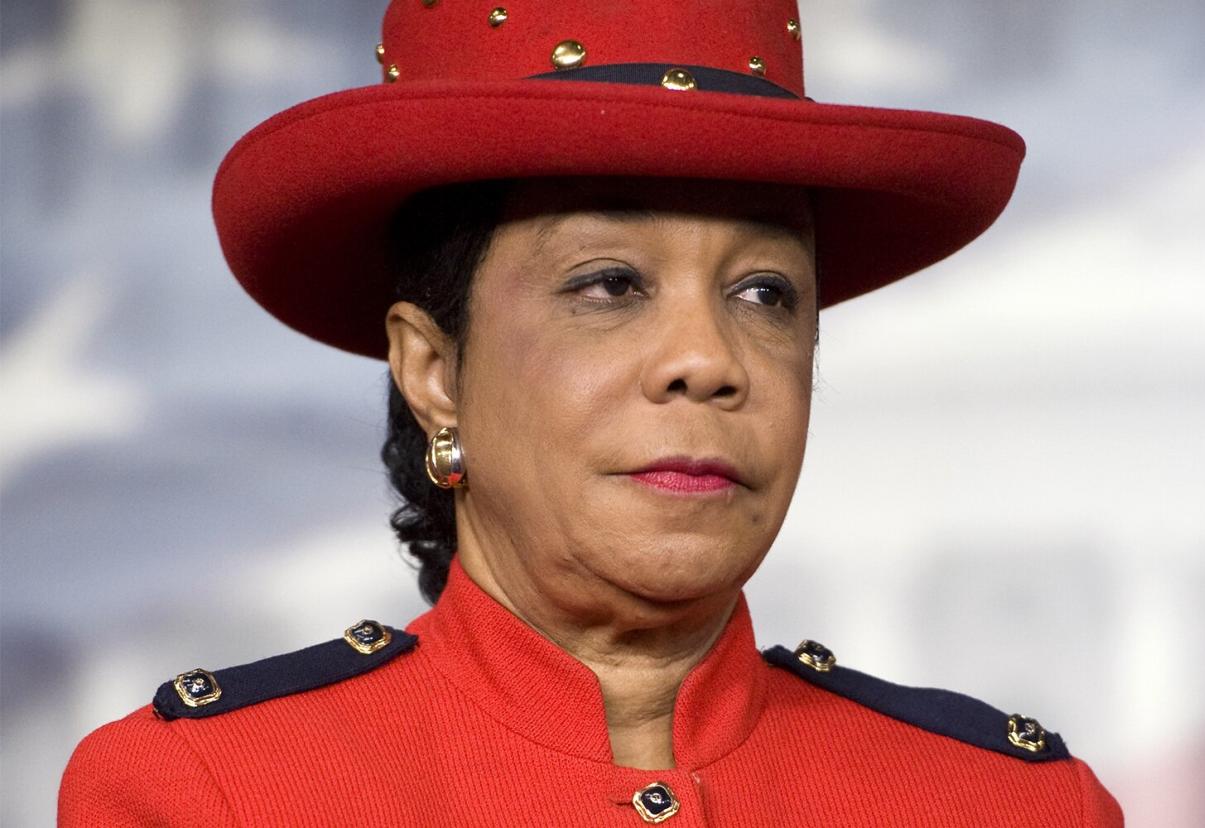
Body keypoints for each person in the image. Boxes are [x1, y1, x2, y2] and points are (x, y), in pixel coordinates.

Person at [58, 1, 1123, 825]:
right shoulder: (209, 795)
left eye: (765, 294)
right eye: (609, 283)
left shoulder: (1013, 804)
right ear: (431, 369)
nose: (708, 361)